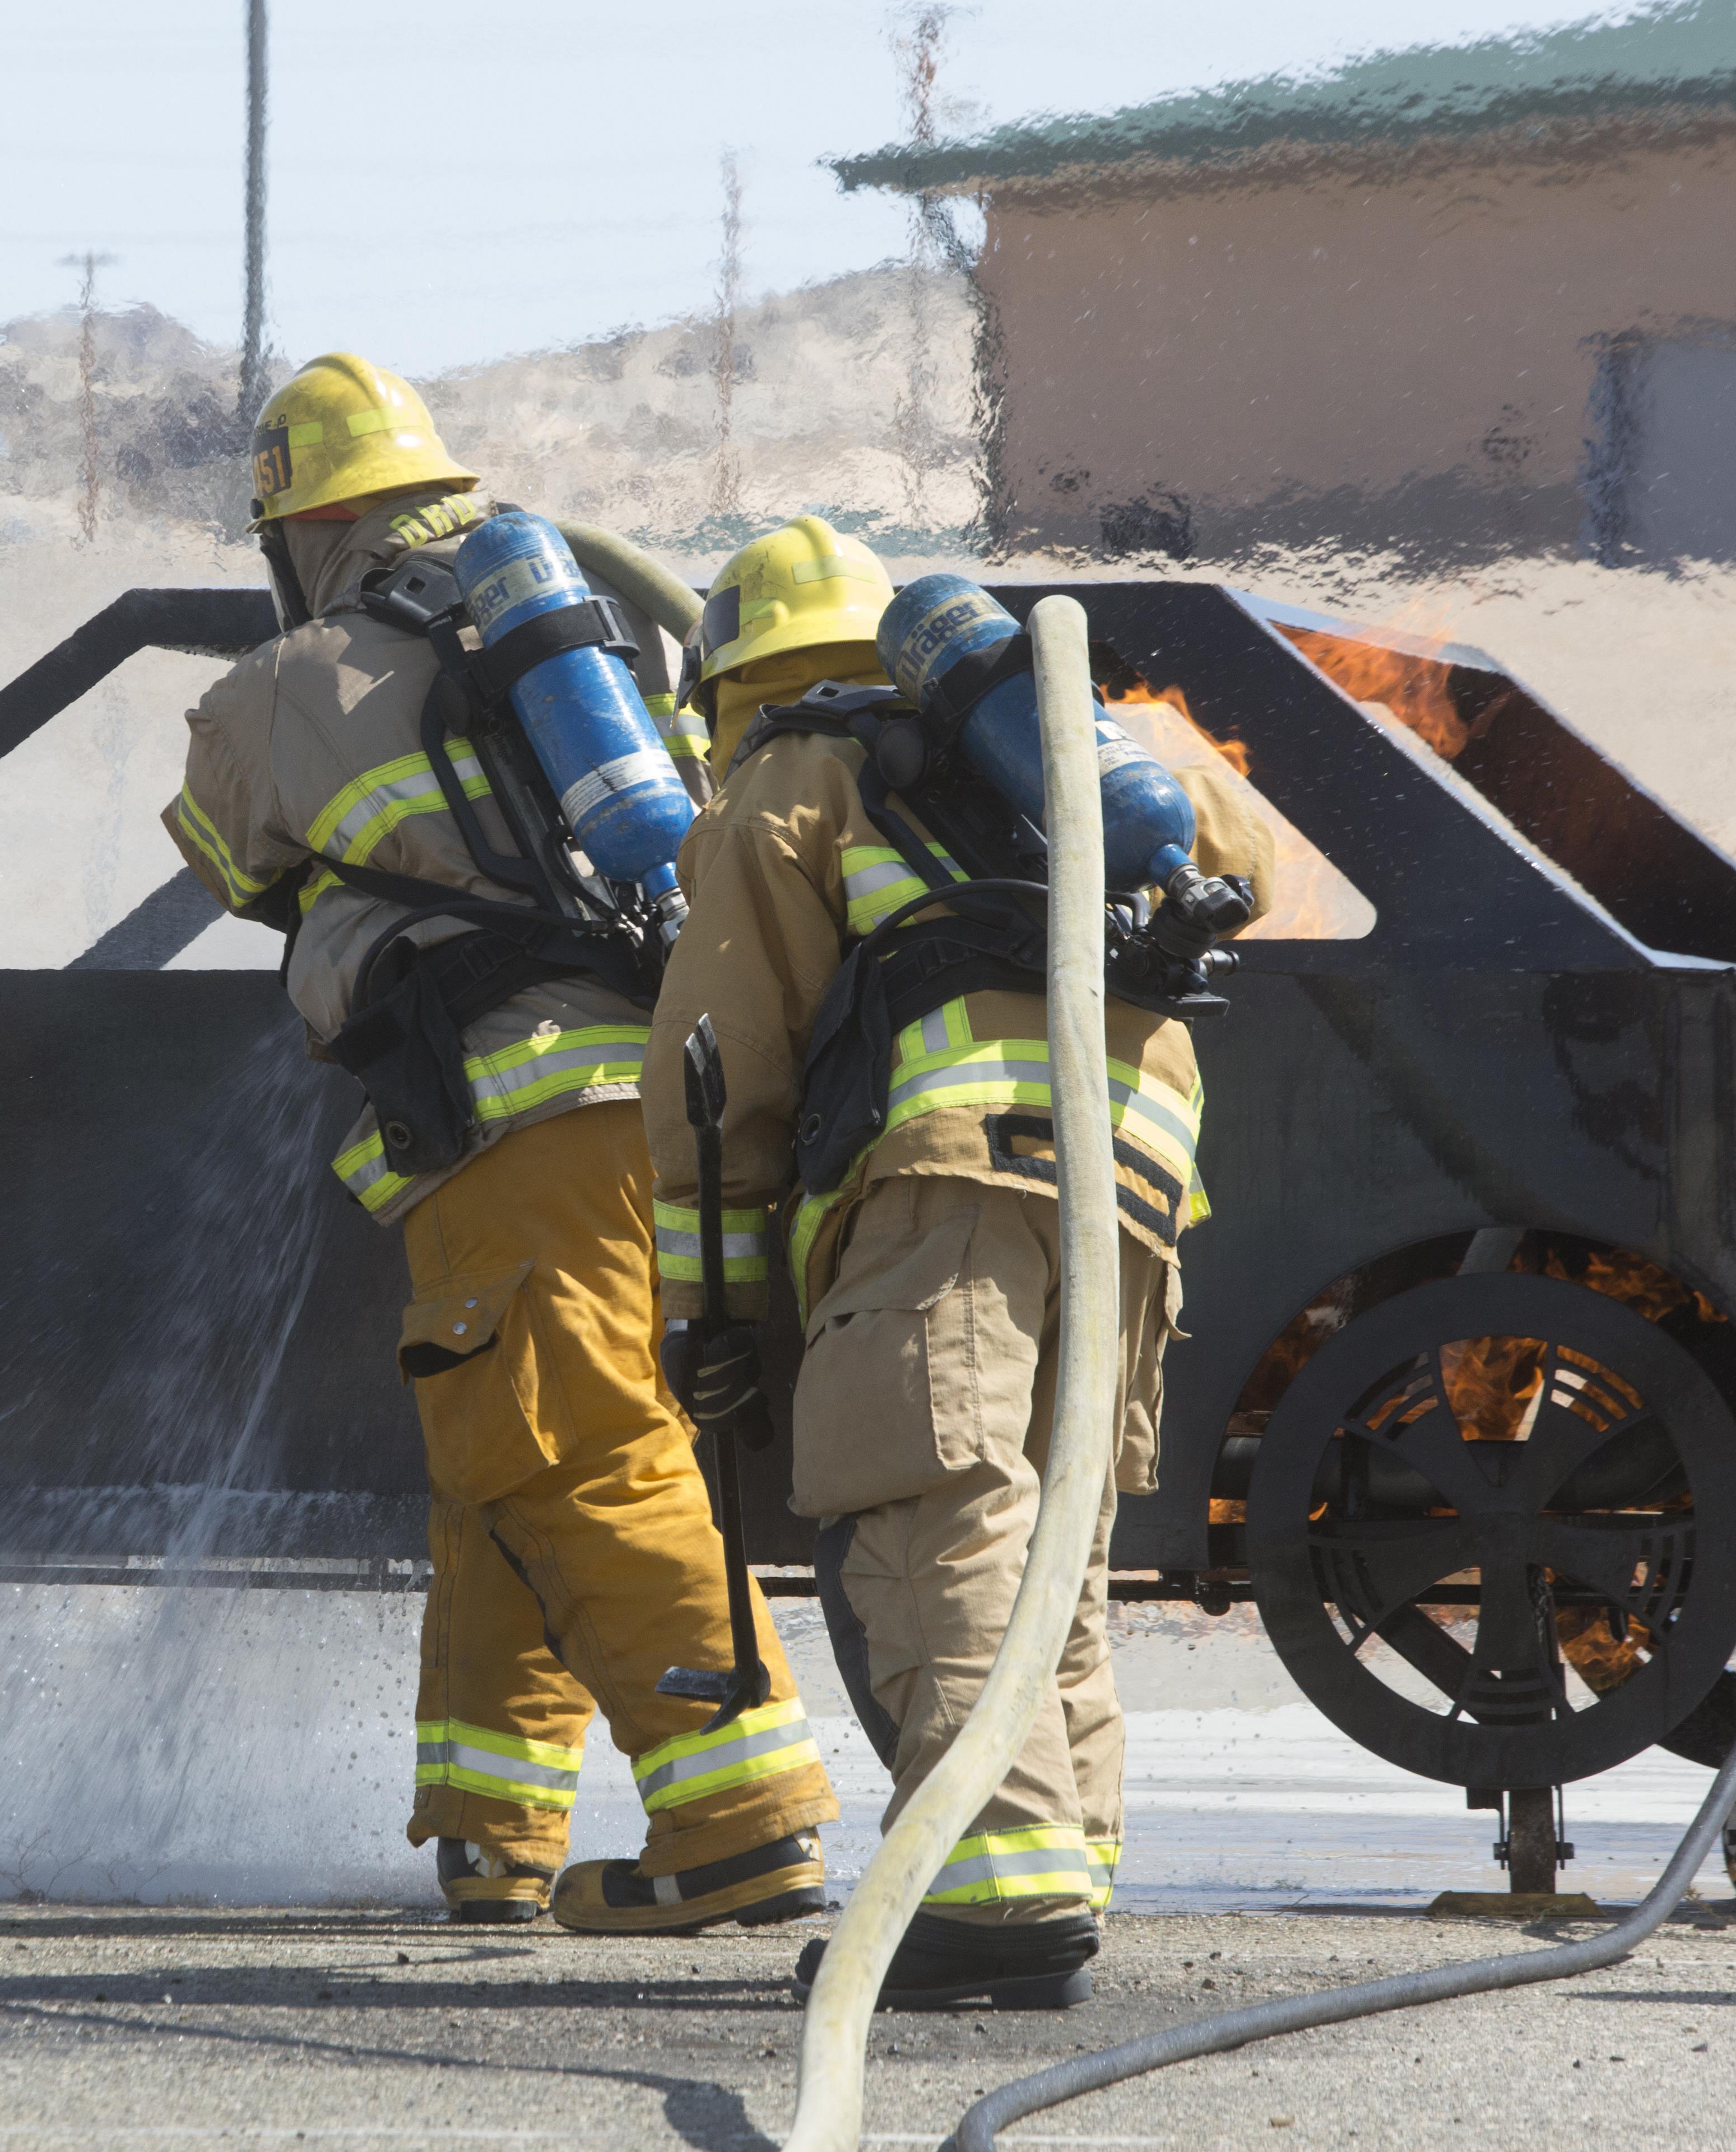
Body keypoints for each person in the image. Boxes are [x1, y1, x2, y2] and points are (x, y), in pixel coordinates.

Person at [164, 354, 837, 1932]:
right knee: (499, 1462)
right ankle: (495, 1830)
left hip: (523, 1116)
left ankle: (744, 1822)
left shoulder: (289, 679)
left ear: (298, 529)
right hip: (656, 1099)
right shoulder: (573, 640)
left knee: (579, 1449)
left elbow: (219, 854)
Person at [644, 517, 1273, 2006]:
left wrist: (715, 1309)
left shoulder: (786, 783)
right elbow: (1234, 849)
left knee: (943, 1506)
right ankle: (1059, 1860)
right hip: (1134, 1176)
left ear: (732, 684)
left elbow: (717, 1073)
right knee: (1050, 1528)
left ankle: (994, 1886)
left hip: (948, 1173)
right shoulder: (1063, 746)